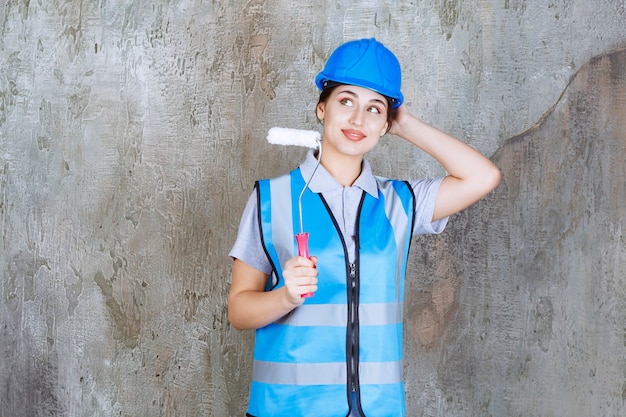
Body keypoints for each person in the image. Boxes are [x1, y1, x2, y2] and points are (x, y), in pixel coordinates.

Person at [228, 38, 501, 417]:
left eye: (374, 108)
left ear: (386, 122)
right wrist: (285, 297)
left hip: (378, 410)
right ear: (322, 107)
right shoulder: (271, 199)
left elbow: (483, 176)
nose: (358, 120)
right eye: (346, 101)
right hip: (287, 409)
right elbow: (239, 310)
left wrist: (405, 124)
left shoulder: (401, 203)